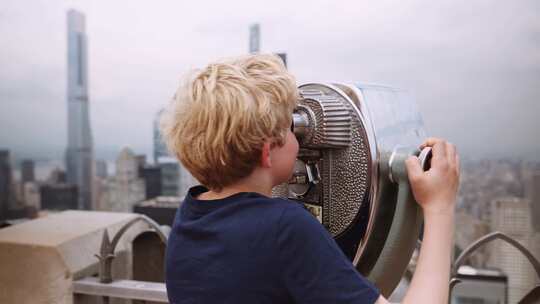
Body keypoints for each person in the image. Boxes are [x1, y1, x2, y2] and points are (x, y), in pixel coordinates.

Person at [161, 53, 460, 304]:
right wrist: (439, 206)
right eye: (291, 127)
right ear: (268, 152)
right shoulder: (284, 228)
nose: (300, 140)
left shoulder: (190, 219)